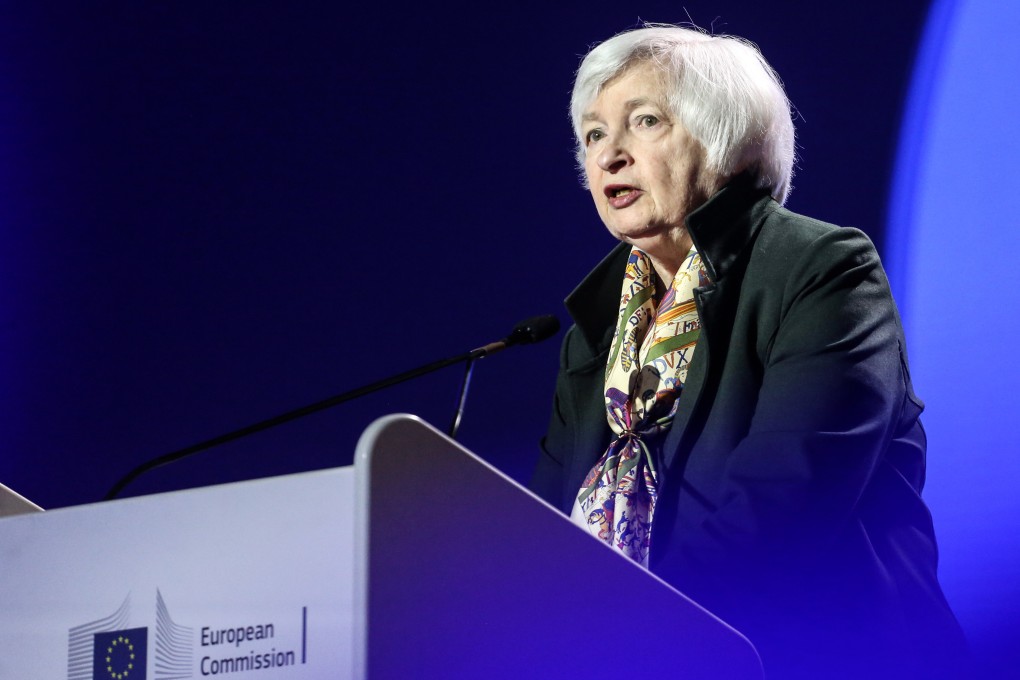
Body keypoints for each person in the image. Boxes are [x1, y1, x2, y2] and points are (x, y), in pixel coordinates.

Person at [529, 23, 970, 679]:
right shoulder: (595, 334)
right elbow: (543, 536)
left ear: (724, 138)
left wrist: (629, 635)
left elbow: (786, 502)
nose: (608, 156)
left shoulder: (820, 269)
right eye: (593, 134)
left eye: (643, 121)